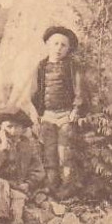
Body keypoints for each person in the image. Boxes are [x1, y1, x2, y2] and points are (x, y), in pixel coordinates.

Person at [30, 25, 86, 198]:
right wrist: (36, 112)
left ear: (68, 49)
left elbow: (79, 89)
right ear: (48, 44)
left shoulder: (72, 66)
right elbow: (34, 92)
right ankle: (51, 185)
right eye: (55, 44)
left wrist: (76, 108)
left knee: (65, 152)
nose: (58, 48)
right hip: (47, 115)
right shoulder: (41, 67)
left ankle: (67, 186)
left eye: (63, 45)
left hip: (65, 114)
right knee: (49, 151)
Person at [0, 109, 44, 224]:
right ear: (1, 128)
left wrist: (28, 183)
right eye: (9, 126)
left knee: (19, 196)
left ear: (23, 129)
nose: (13, 131)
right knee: (2, 184)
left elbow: (38, 170)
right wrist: (4, 147)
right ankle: (0, 220)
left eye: (17, 127)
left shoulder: (28, 147)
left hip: (15, 185)